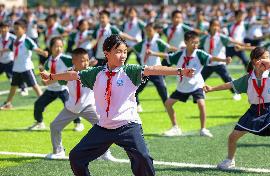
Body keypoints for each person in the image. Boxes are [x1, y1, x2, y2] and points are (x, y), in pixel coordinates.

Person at [40, 34, 195, 176]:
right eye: (118, 52)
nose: (123, 56)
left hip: (128, 126)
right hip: (103, 128)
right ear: (106, 53)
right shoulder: (95, 73)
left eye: (125, 51)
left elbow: (153, 69)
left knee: (143, 157)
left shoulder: (130, 71)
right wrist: (52, 76)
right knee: (76, 157)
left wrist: (180, 71)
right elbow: (73, 75)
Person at [203, 47, 270, 170]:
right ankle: (230, 160)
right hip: (254, 111)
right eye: (263, 58)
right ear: (254, 61)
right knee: (232, 137)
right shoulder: (248, 78)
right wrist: (212, 88)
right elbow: (230, 84)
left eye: (268, 58)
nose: (267, 61)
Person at [150, 31, 231, 137]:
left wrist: (224, 60)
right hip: (182, 86)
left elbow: (211, 58)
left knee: (201, 104)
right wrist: (153, 53)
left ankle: (203, 129)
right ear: (186, 42)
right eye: (193, 42)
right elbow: (167, 56)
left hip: (196, 85)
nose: (195, 45)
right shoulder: (180, 54)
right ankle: (175, 127)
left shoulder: (199, 54)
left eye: (197, 43)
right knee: (168, 104)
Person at [45, 48, 114, 161]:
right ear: (74, 61)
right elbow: (57, 78)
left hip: (88, 106)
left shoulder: (92, 72)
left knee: (103, 126)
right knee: (54, 126)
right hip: (71, 107)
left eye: (87, 60)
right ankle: (58, 151)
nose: (86, 63)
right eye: (82, 60)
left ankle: (104, 153)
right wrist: (48, 78)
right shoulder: (68, 73)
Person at [29, 37, 83, 131]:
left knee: (71, 106)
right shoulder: (49, 59)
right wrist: (43, 73)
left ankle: (78, 123)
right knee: (38, 104)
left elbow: (77, 63)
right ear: (50, 47)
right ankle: (39, 123)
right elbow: (45, 69)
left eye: (61, 47)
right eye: (56, 46)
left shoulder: (65, 58)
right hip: (51, 89)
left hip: (63, 88)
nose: (59, 49)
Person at [0, 19, 48, 110]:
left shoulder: (27, 40)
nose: (15, 31)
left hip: (26, 67)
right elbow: (10, 48)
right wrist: (2, 50)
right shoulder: (15, 41)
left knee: (34, 85)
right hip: (16, 68)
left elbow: (35, 48)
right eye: (14, 29)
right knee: (13, 87)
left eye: (17, 29)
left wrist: (43, 52)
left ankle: (43, 103)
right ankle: (8, 104)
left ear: (24, 29)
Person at [132, 22, 177, 112]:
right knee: (134, 89)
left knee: (162, 89)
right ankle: (137, 105)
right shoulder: (143, 42)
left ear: (154, 30)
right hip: (144, 70)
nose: (148, 32)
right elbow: (133, 48)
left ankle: (167, 106)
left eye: (150, 30)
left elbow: (168, 48)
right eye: (147, 31)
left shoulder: (158, 41)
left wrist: (179, 50)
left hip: (156, 69)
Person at [200, 19, 247, 101]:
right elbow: (197, 44)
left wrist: (243, 44)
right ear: (210, 27)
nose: (215, 27)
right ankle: (199, 93)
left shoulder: (221, 37)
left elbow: (232, 41)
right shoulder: (205, 38)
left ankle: (236, 93)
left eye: (217, 26)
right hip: (208, 63)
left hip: (220, 63)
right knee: (200, 79)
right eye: (214, 25)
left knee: (227, 79)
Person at [0, 22, 28, 96]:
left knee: (16, 75)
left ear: (8, 28)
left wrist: (4, 50)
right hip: (1, 61)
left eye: (5, 28)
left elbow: (16, 47)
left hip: (10, 60)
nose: (3, 30)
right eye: (1, 28)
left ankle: (23, 88)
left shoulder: (13, 38)